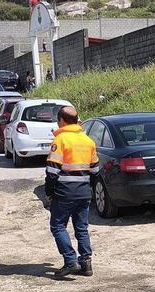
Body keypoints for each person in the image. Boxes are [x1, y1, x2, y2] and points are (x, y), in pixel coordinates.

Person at [45, 106, 99, 278]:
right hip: (84, 193)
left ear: (61, 120)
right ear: (77, 120)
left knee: (58, 225)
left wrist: (49, 192)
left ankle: (70, 261)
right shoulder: (88, 141)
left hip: (64, 192)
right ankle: (86, 263)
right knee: (81, 228)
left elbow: (52, 171)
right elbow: (95, 170)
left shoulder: (60, 140)